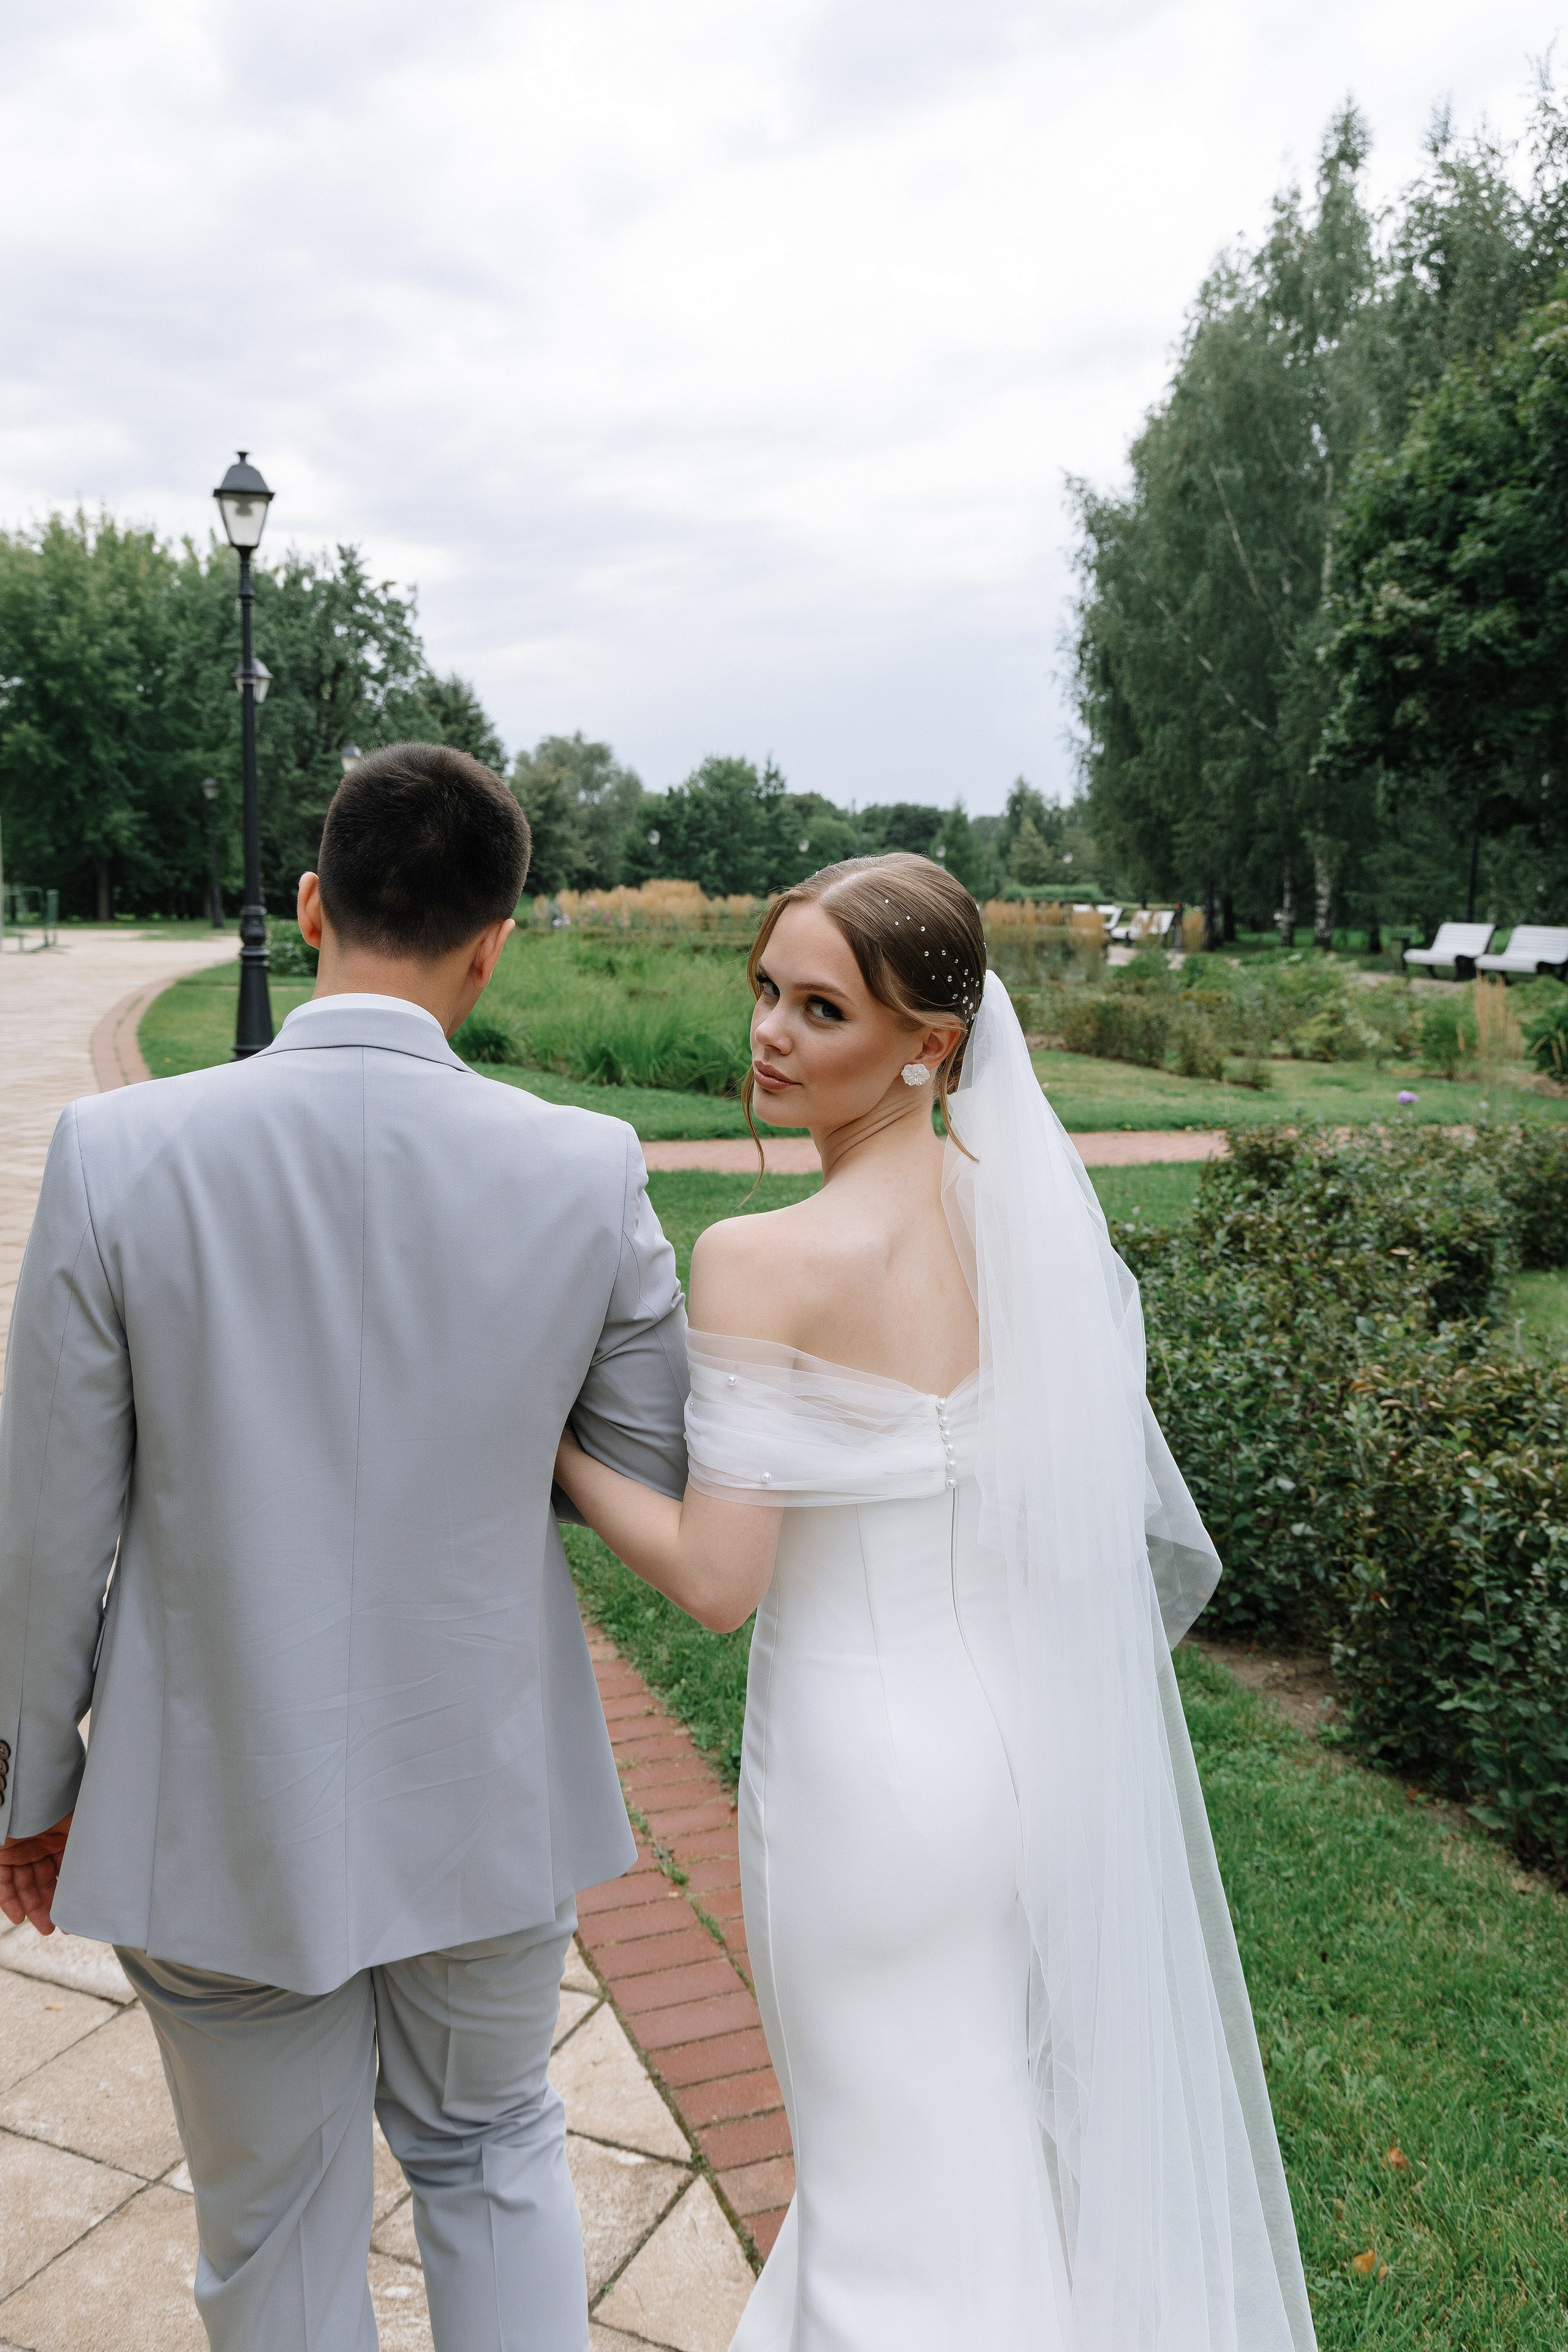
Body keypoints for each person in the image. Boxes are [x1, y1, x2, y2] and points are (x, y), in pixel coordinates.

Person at [554, 852, 1318, 2351]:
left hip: (852, 1780)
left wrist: (558, 1449)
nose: (772, 1031)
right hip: (1002, 1753)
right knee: (968, 2158)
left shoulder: (762, 1257)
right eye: (765, 988)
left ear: (928, 1045)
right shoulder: (1021, 1222)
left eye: (822, 1006)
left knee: (879, 2199)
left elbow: (718, 1580)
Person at [0, 743, 690, 2352]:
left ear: (312, 906)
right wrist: (506, 1398)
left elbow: (45, 1532)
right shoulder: (586, 1170)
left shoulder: (122, 1159)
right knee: (495, 2151)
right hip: (486, 1784)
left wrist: (31, 1792)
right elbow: (645, 1460)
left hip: (217, 1797)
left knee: (273, 2226)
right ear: (491, 942)